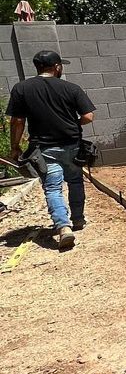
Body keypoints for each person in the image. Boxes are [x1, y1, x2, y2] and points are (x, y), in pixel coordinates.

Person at [7, 50, 96, 250]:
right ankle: (78, 219)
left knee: (53, 187)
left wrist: (15, 147)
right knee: (74, 181)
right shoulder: (71, 88)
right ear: (57, 67)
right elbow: (88, 116)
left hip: (43, 149)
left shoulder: (22, 89)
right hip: (72, 145)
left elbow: (18, 121)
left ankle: (63, 227)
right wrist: (74, 123)